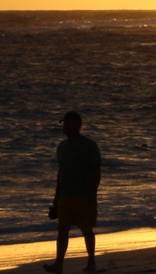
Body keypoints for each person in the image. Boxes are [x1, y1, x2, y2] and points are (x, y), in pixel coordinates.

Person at [46, 110, 100, 273]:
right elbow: (60, 172)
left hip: (83, 195)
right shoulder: (62, 146)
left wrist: (92, 192)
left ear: (77, 125)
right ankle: (59, 264)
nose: (65, 127)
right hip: (66, 196)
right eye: (64, 124)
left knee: (86, 229)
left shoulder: (89, 146)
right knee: (62, 230)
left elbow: (96, 171)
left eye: (68, 123)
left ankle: (91, 263)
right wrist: (56, 197)